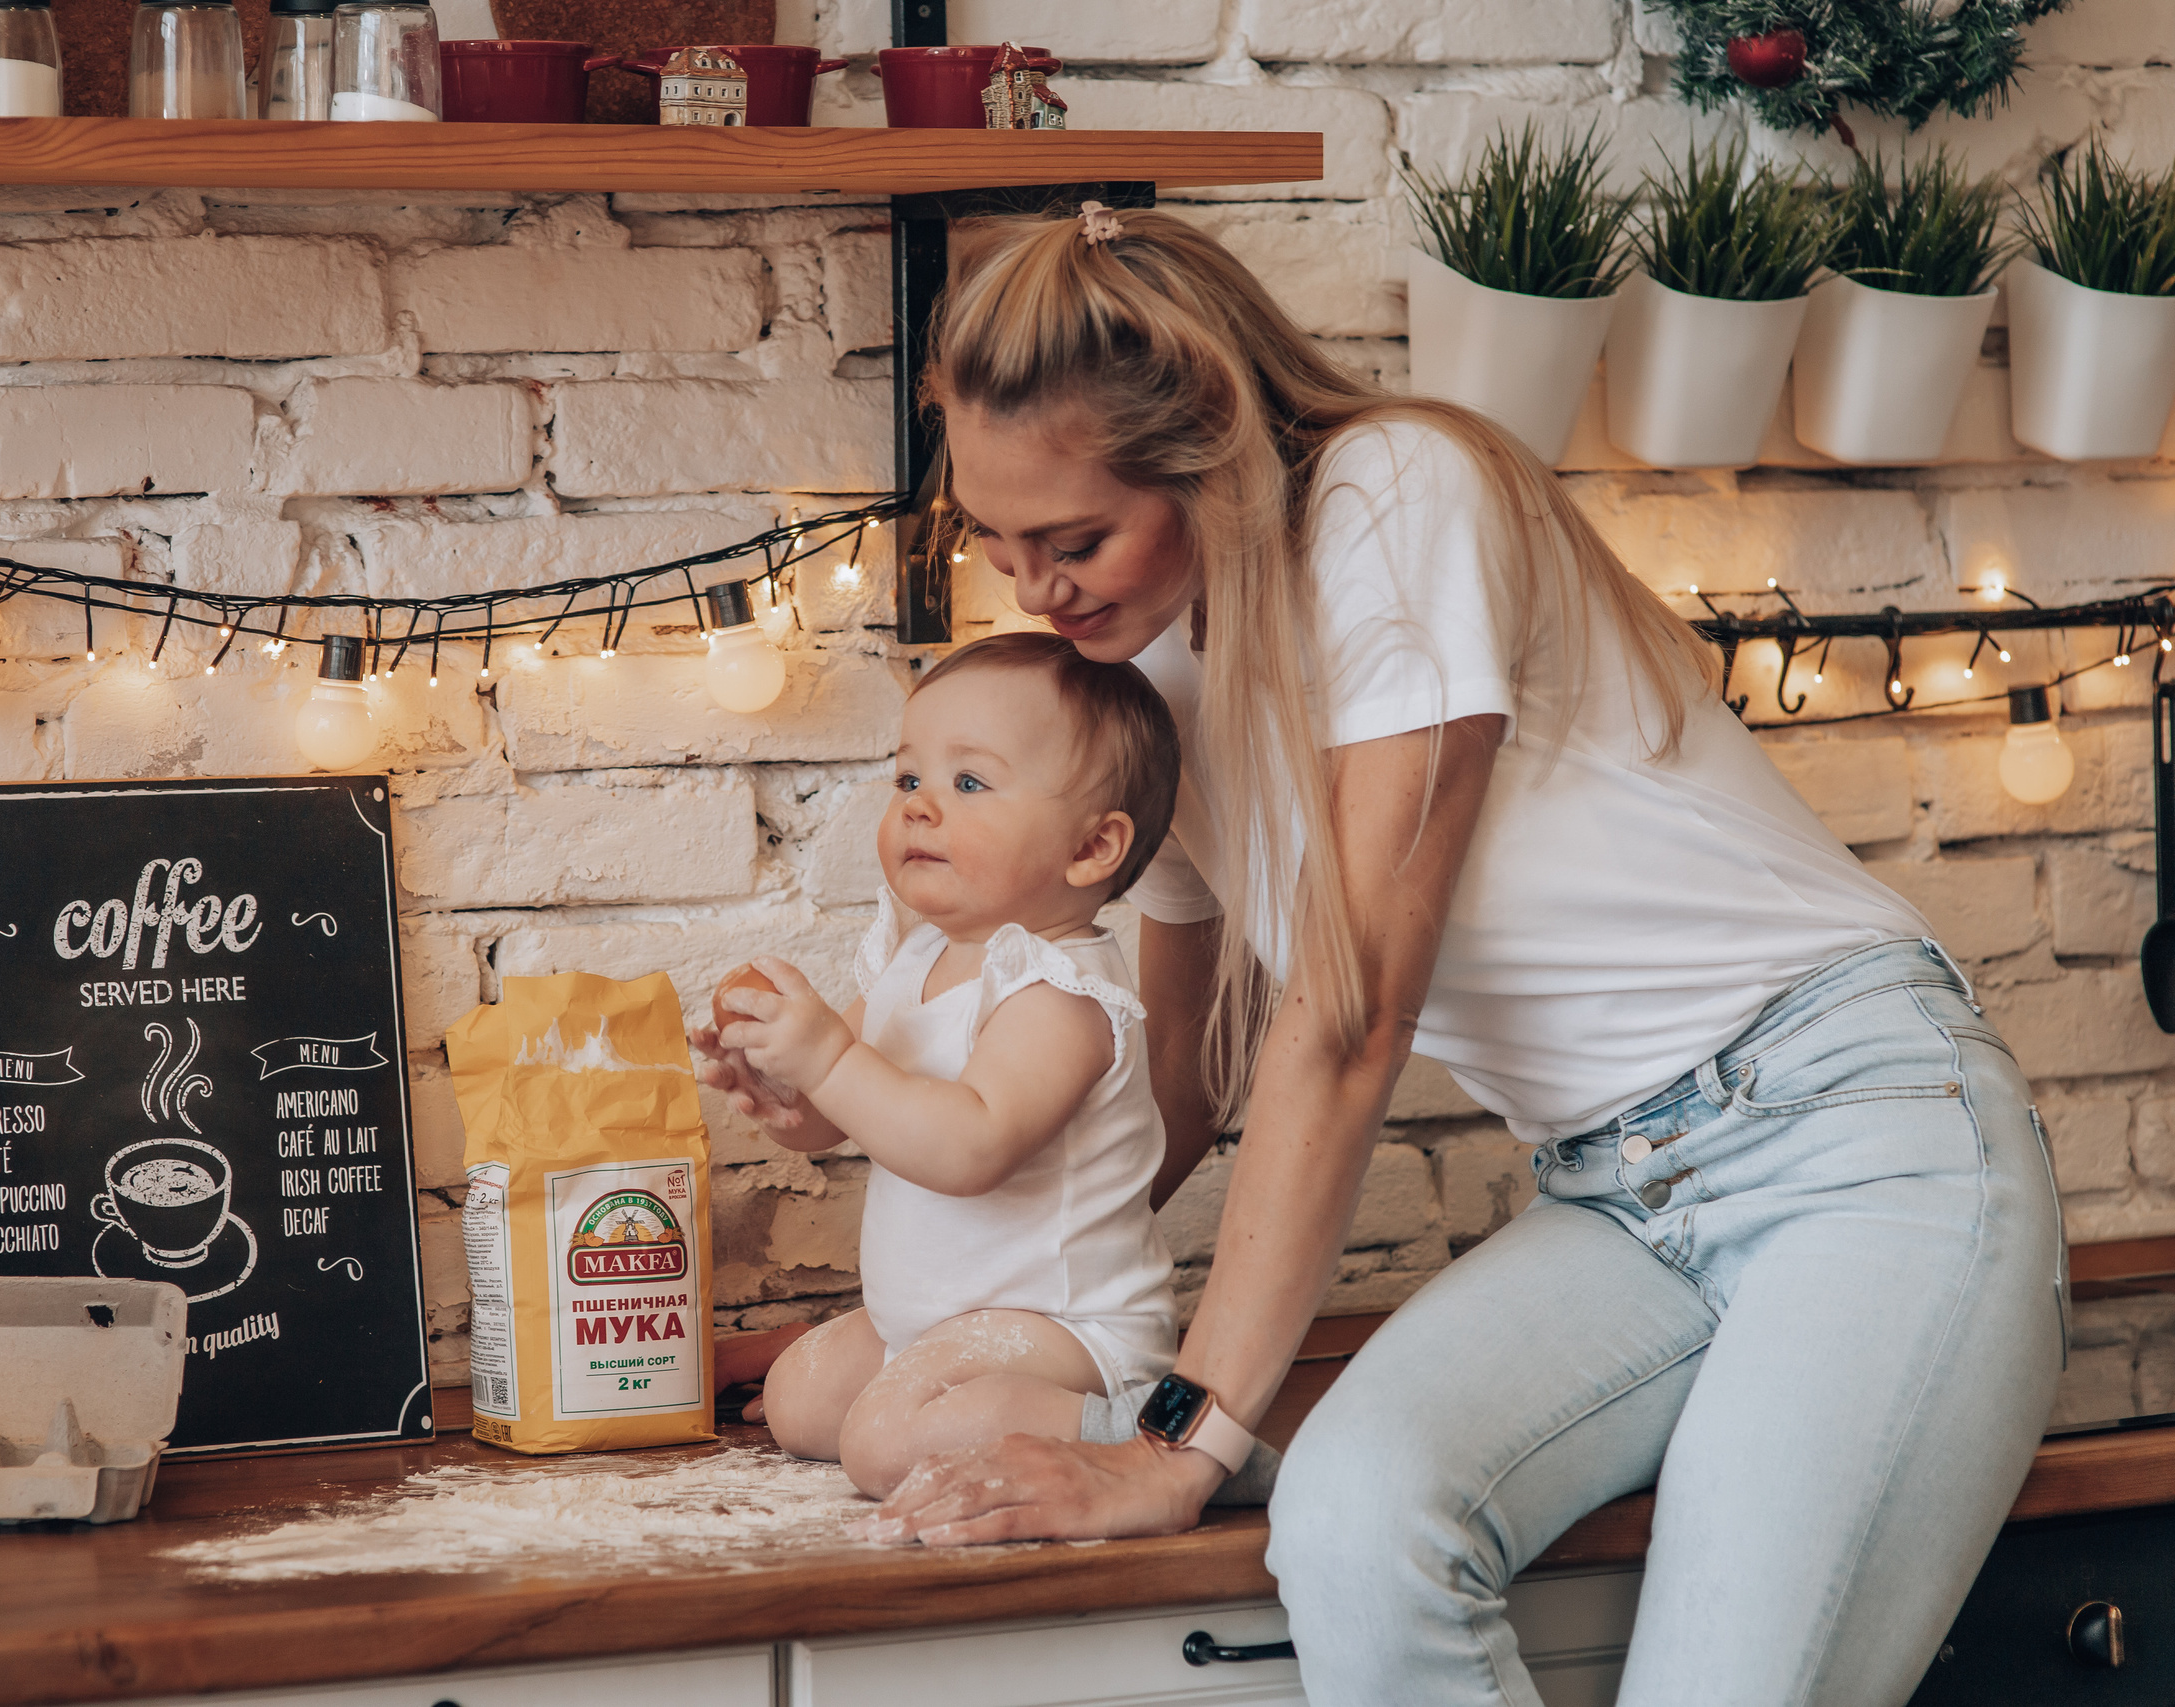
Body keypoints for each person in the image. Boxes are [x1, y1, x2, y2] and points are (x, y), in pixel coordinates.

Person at [863, 203, 2063, 1707]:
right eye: (996, 540)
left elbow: (1349, 1014)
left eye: (1076, 537)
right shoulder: (1140, 681)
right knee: (1356, 1522)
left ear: (1212, 451)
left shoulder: (1392, 496)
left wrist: (1178, 1440)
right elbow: (1177, 1075)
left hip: (1863, 1141)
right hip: (1619, 1204)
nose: (1035, 591)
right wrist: (942, 1264)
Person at [692, 633, 1184, 1499]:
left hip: (1062, 1329)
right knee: (801, 1402)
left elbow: (966, 1147)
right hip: (941, 1320)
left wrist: (829, 1054)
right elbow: (840, 1114)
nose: (919, 806)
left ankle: (1139, 1426)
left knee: (880, 1443)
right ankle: (896, 1373)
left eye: (968, 782)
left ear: (1092, 848)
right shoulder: (917, 958)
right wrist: (781, 1086)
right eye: (908, 778)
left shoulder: (1059, 991)